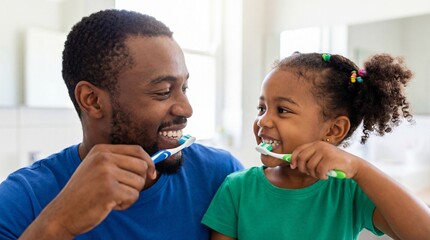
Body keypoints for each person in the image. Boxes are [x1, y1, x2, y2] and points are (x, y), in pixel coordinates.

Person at [0, 9, 243, 239]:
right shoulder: (23, 199)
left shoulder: (222, 177)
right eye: (162, 91)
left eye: (184, 88)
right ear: (92, 100)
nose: (186, 109)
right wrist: (58, 223)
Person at [201, 52, 430, 239]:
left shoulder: (349, 192)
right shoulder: (237, 189)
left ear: (334, 130)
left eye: (282, 110)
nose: (263, 120)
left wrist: (360, 169)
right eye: (262, 109)